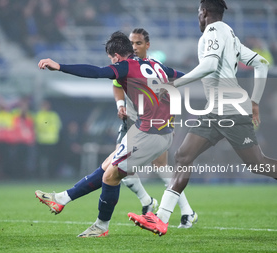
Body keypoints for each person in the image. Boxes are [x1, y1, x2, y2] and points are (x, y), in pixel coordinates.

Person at [128, 0, 276, 237]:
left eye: (198, 12)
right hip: (214, 110)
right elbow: (261, 63)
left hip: (230, 109)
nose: (198, 17)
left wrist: (173, 84)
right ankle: (161, 219)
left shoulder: (213, 31)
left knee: (257, 164)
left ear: (204, 12)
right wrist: (255, 101)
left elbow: (209, 65)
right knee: (183, 155)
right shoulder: (231, 36)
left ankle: (161, 218)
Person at [36, 31, 184, 237]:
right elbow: (185, 76)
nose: (111, 62)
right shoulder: (155, 65)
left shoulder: (125, 66)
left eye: (111, 59)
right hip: (156, 129)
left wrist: (60, 66)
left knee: (111, 176)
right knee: (108, 165)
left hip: (150, 133)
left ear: (115, 55)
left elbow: (95, 72)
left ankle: (101, 226)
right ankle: (62, 199)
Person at [115, 28, 197, 226]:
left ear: (147, 45)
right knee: (122, 167)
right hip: (134, 120)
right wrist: (120, 105)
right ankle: (178, 209)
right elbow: (116, 86)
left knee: (133, 167)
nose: (134, 47)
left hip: (153, 123)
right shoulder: (125, 64)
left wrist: (169, 120)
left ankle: (159, 205)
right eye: (132, 43)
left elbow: (172, 88)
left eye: (138, 43)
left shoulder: (156, 66)